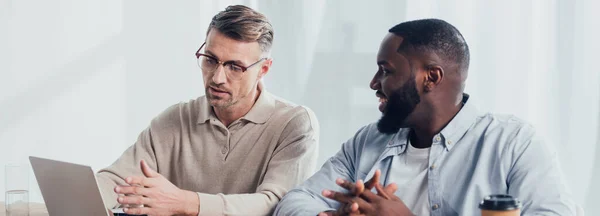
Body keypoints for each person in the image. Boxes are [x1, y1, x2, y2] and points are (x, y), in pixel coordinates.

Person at [274, 18, 575, 216]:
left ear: (430, 77)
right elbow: (292, 204)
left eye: (386, 70)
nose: (374, 83)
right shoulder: (368, 142)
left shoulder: (514, 144)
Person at [96, 5, 319, 216]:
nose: (217, 78)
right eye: (210, 60)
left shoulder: (295, 124)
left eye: (235, 67)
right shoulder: (174, 119)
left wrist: (184, 202)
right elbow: (115, 182)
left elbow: (275, 204)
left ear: (263, 69)